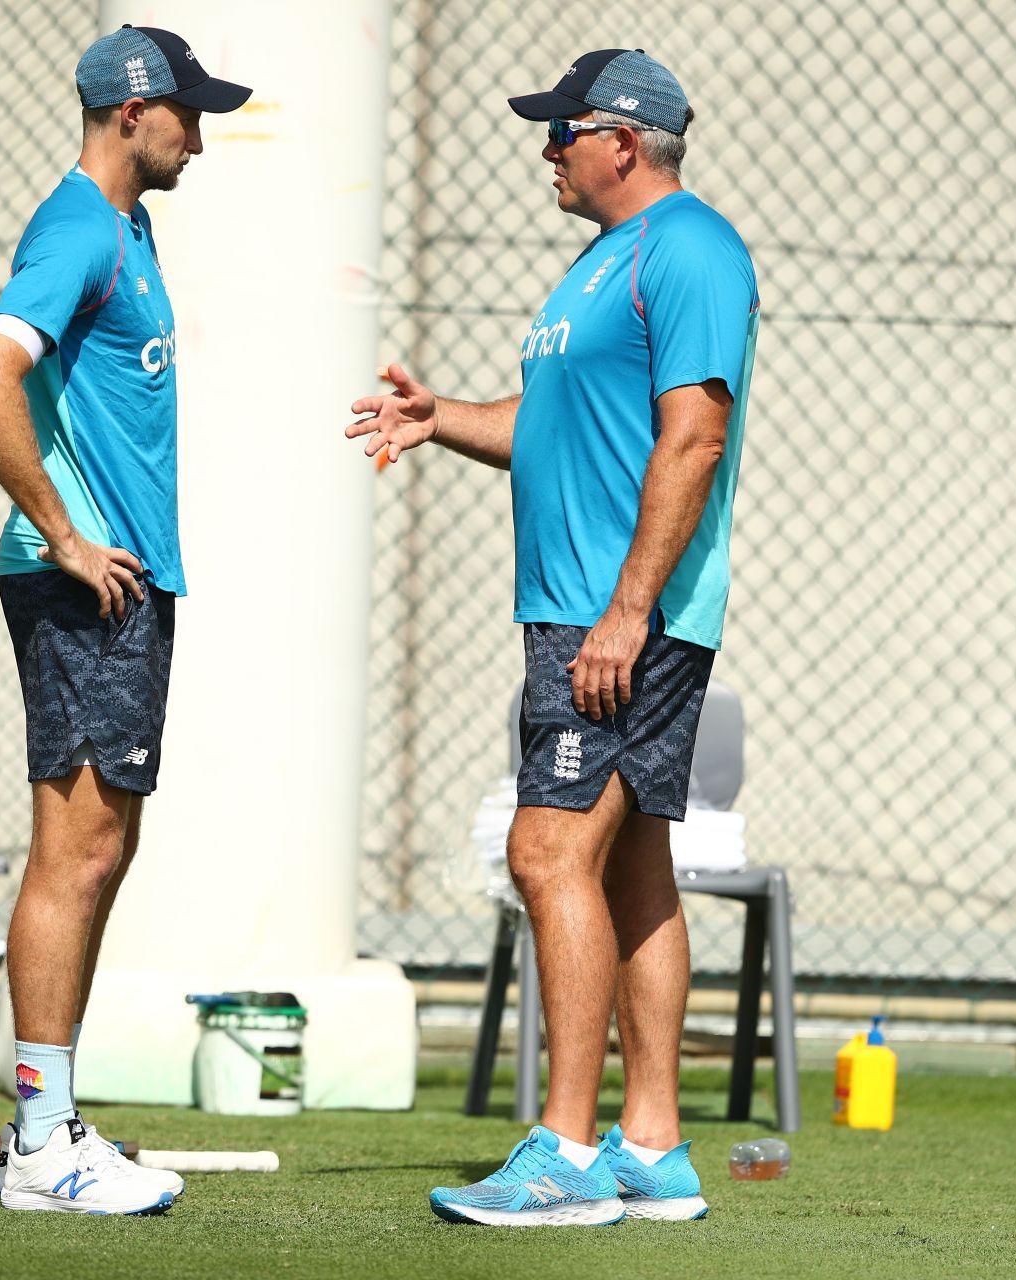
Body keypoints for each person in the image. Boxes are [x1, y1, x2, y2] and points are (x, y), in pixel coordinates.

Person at [347, 48, 759, 1228]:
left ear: (623, 140)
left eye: (561, 130)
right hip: (586, 609)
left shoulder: (690, 249)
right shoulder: (601, 265)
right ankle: (652, 1148)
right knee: (630, 866)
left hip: (617, 615)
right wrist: (440, 420)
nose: (545, 150)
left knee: (545, 854)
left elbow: (693, 438)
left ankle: (567, 1154)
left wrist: (627, 609)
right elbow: (553, 423)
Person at [0, 24, 249, 1216]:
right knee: (73, 848)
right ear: (133, 111)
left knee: (101, 845)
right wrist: (67, 536)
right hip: (85, 585)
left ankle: (52, 1114)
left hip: (123, 584)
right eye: (188, 110)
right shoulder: (80, 225)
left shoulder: (128, 228)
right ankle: (36, 1138)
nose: (200, 132)